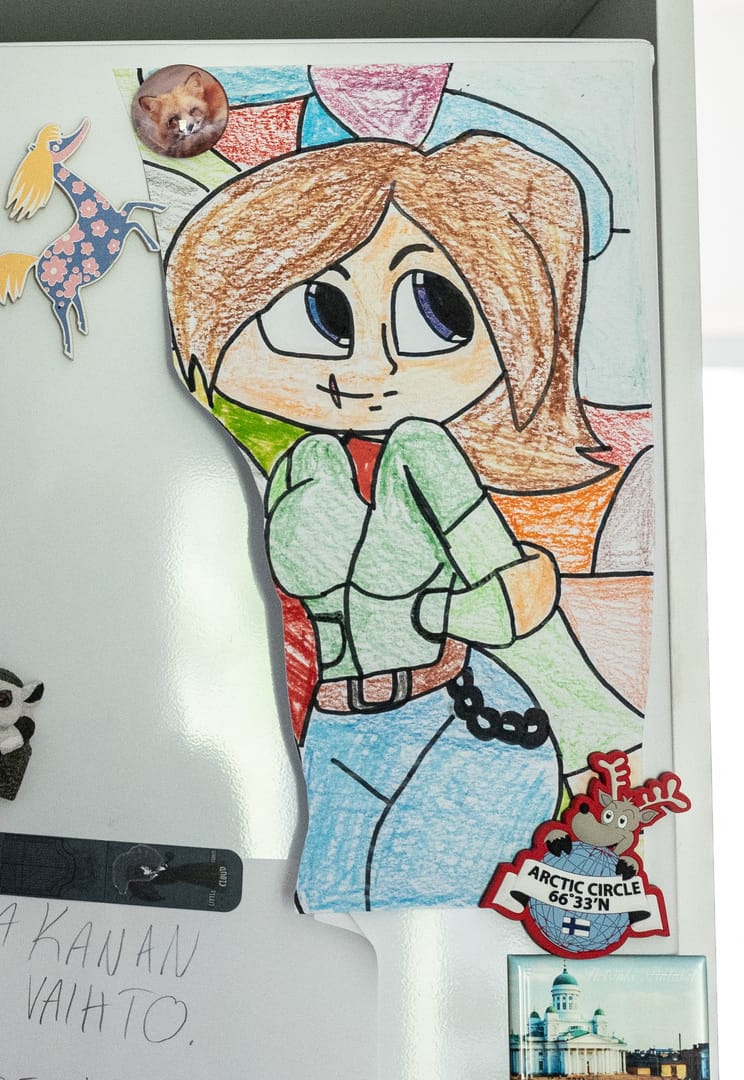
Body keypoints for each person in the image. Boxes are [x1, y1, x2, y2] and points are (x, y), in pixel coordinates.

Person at [163, 133, 638, 911]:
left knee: (417, 942)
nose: (368, 369)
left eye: (434, 311)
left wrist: (430, 611)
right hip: (330, 731)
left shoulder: (426, 453)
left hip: (459, 727)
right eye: (320, 310)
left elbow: (514, 597)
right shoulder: (303, 466)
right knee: (309, 920)